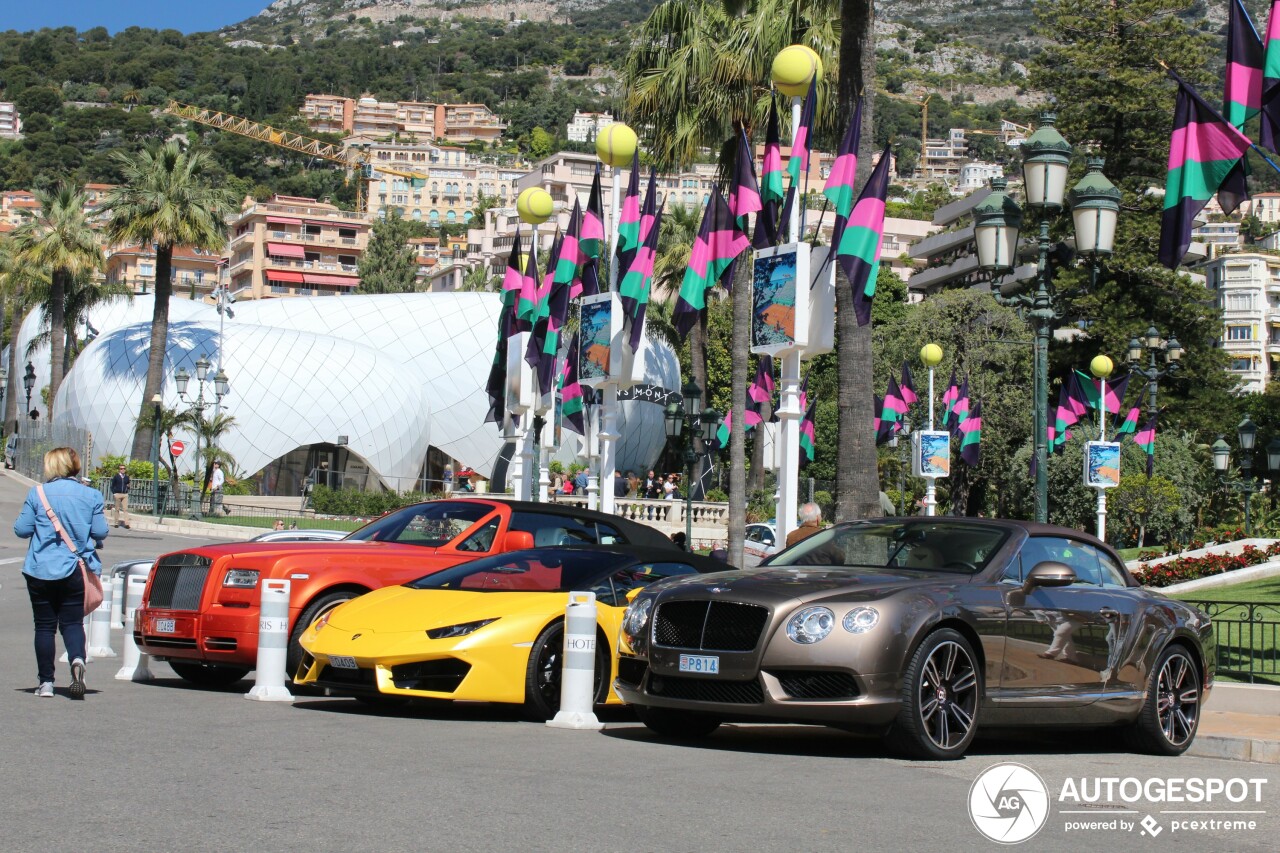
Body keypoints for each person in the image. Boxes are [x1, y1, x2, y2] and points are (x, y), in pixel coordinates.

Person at [14, 447, 108, 699]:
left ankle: (46, 683)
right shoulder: (92, 495)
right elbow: (100, 532)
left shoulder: (38, 493)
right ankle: (77, 660)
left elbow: (21, 529)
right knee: (72, 622)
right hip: (74, 569)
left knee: (44, 627)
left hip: (40, 569)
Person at [110, 463, 131, 530]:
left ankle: (126, 524)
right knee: (117, 509)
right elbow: (112, 485)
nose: (123, 470)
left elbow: (128, 484)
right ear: (119, 470)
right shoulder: (116, 477)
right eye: (121, 469)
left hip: (125, 494)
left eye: (124, 468)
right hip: (117, 494)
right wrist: (114, 493)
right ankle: (116, 523)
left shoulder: (127, 477)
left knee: (125, 509)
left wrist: (128, 487)